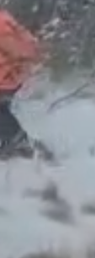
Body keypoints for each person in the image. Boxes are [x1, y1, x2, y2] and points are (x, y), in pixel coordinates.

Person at [0, 10, 43, 155]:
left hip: (7, 77)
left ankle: (19, 141)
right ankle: (9, 142)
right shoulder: (4, 20)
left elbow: (20, 51)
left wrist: (17, 67)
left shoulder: (1, 24)